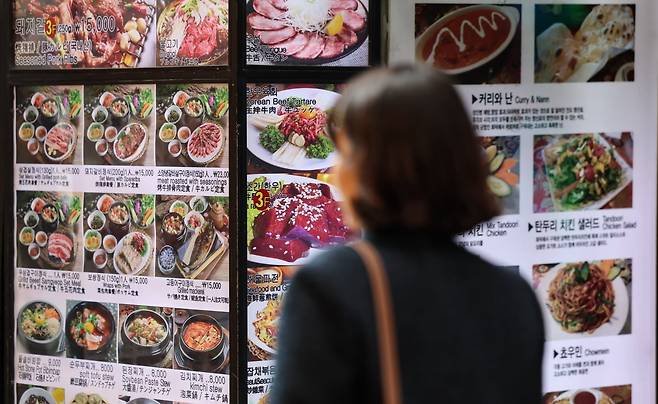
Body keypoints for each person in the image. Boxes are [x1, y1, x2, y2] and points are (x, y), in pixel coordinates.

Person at [270, 65, 544, 404]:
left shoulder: (332, 285)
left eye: (348, 154)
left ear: (377, 168)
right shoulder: (515, 297)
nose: (338, 173)